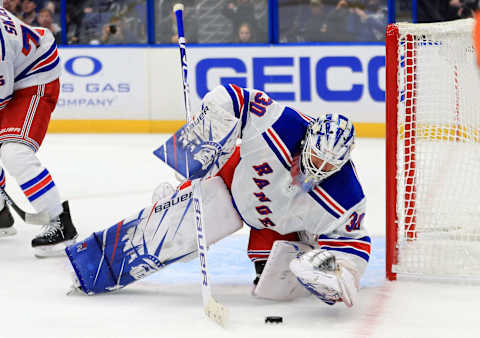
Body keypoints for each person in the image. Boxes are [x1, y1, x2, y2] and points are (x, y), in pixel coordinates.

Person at [67, 83, 369, 308]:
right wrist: (206, 135)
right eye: (316, 159)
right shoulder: (282, 124)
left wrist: (339, 277)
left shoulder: (346, 193)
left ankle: (277, 256)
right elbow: (234, 97)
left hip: (277, 227)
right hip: (233, 186)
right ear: (307, 139)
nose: (318, 169)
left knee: (272, 291)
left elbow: (354, 243)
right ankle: (174, 203)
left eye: (329, 165)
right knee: (171, 233)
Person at [0, 6, 78, 256]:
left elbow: (3, 96)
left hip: (36, 76)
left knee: (14, 152)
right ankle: (1, 213)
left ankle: (59, 222)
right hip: (15, 70)